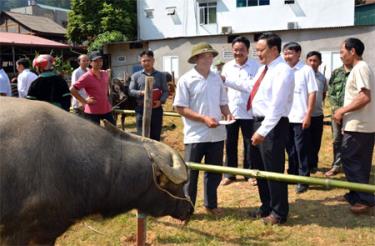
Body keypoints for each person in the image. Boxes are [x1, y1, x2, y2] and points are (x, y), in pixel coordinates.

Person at [225, 32, 294, 224]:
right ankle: (266, 207)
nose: (258, 54)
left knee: (273, 170)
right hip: (257, 121)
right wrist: (226, 79)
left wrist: (262, 131)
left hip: (272, 125)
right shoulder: (265, 70)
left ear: (273, 49)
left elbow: (277, 107)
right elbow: (249, 86)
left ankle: (279, 213)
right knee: (261, 170)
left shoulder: (283, 71)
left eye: (261, 50)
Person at [173, 42, 234, 216]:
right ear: (197, 58)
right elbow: (180, 108)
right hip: (195, 135)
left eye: (211, 56)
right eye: (205, 55)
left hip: (217, 133)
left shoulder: (216, 78)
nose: (209, 59)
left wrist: (228, 114)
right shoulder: (186, 79)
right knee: (190, 174)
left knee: (214, 172)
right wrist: (203, 119)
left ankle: (211, 204)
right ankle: (186, 209)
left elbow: (223, 102)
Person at [333, 38, 375, 214]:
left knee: (349, 159)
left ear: (352, 51)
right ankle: (355, 195)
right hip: (364, 125)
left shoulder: (360, 68)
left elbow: (365, 97)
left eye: (342, 52)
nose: (341, 56)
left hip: (358, 126)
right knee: (361, 163)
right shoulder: (363, 68)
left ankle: (366, 200)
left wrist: (341, 111)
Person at [220, 36, 260, 186]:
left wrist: (227, 80)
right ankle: (230, 174)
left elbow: (252, 87)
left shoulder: (256, 67)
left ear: (248, 51)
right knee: (230, 143)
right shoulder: (228, 66)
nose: (238, 53)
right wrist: (223, 107)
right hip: (231, 111)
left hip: (249, 112)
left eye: (241, 50)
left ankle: (250, 173)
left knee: (250, 144)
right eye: (235, 50)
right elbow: (222, 89)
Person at [283, 42, 317, 194]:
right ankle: (293, 173)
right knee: (289, 148)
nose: (287, 56)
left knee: (301, 149)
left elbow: (312, 93)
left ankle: (304, 178)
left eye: (290, 53)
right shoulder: (283, 70)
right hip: (285, 117)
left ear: (298, 54)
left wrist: (308, 115)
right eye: (285, 53)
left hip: (300, 117)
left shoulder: (306, 70)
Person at [129, 50, 169, 141]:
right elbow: (130, 91)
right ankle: (143, 155)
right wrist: (141, 92)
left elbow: (166, 91)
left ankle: (155, 155)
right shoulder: (135, 76)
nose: (146, 63)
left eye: (148, 60)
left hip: (156, 109)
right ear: (140, 62)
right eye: (144, 61)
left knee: (155, 136)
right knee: (141, 136)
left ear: (153, 60)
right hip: (141, 109)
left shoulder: (161, 75)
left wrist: (161, 101)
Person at [70, 51, 114, 125]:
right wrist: (84, 101)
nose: (99, 63)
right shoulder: (86, 76)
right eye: (95, 61)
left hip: (106, 109)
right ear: (90, 63)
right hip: (92, 111)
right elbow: (72, 89)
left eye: (100, 60)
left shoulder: (105, 74)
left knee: (114, 132)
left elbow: (105, 89)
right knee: (94, 135)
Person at [325, 64, 352, 177]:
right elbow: (330, 92)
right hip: (336, 113)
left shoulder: (358, 70)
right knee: (337, 140)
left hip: (353, 112)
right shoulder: (336, 72)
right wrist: (337, 110)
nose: (341, 56)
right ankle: (336, 165)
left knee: (351, 140)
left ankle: (350, 166)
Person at [306, 51, 328, 174]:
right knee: (305, 142)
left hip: (318, 115)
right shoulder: (301, 75)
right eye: (310, 60)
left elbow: (323, 94)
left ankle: (313, 165)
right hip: (304, 116)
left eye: (315, 61)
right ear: (306, 61)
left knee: (316, 142)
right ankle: (304, 166)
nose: (313, 63)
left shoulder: (322, 78)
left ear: (320, 62)